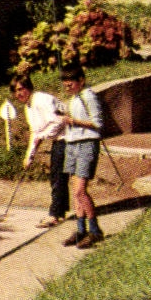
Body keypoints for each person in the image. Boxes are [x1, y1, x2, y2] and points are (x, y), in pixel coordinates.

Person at [58, 63, 107, 249]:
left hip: (86, 144)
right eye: (65, 85)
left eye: (71, 84)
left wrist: (73, 121)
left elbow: (98, 123)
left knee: (80, 191)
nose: (68, 87)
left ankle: (95, 230)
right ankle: (81, 230)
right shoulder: (74, 99)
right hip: (72, 144)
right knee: (75, 191)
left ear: (81, 81)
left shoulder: (89, 96)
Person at [12, 75, 70, 228]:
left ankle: (55, 215)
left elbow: (58, 120)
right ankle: (60, 211)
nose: (18, 94)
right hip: (59, 140)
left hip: (69, 137)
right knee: (57, 176)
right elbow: (35, 132)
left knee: (58, 177)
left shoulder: (41, 100)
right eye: (15, 91)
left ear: (29, 87)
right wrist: (29, 155)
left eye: (20, 89)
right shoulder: (28, 106)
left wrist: (43, 135)